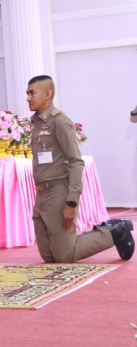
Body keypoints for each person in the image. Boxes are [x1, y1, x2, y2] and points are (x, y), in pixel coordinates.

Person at [26, 75, 134, 263]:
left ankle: (115, 232)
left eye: (32, 93)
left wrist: (71, 202)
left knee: (64, 256)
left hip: (59, 193)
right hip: (42, 194)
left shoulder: (59, 121)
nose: (28, 98)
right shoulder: (37, 123)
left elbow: (76, 161)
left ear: (47, 94)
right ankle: (106, 230)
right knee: (49, 256)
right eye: (27, 93)